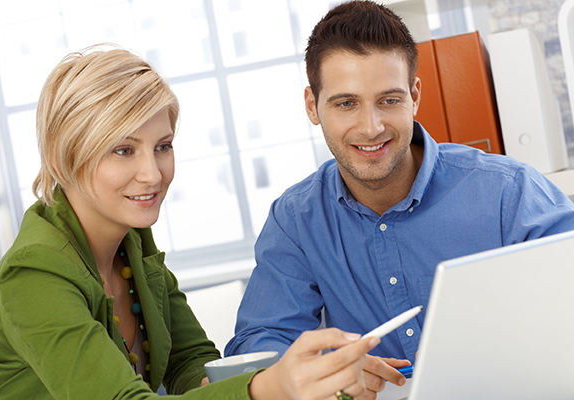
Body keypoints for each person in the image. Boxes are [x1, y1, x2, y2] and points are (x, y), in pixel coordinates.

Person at [0, 45, 380, 400]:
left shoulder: (132, 245)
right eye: (123, 150)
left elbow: (192, 366)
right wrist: (269, 389)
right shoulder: (33, 274)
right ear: (66, 159)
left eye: (163, 146)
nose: (152, 174)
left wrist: (315, 380)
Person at [225, 0, 574, 398]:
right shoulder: (296, 220)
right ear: (312, 106)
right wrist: (321, 371)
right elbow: (258, 344)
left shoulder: (509, 191)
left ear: (415, 96)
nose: (371, 128)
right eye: (346, 103)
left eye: (389, 100)